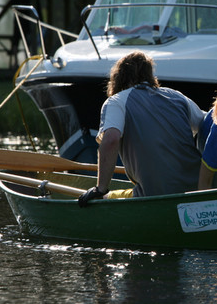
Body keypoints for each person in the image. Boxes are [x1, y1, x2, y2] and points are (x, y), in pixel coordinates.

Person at [78, 51, 205, 207]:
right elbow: (208, 124)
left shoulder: (116, 101)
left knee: (106, 197)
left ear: (119, 77)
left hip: (156, 195)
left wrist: (100, 189)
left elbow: (111, 140)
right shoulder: (177, 97)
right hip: (199, 189)